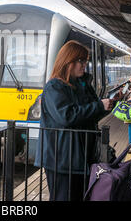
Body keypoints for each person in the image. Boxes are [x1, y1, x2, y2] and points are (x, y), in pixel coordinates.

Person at [34, 40, 112, 201]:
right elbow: (66, 116)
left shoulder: (82, 84)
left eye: (85, 61)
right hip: (62, 158)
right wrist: (98, 106)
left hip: (81, 155)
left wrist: (108, 105)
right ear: (67, 61)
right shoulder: (54, 87)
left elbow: (92, 112)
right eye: (80, 61)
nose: (84, 65)